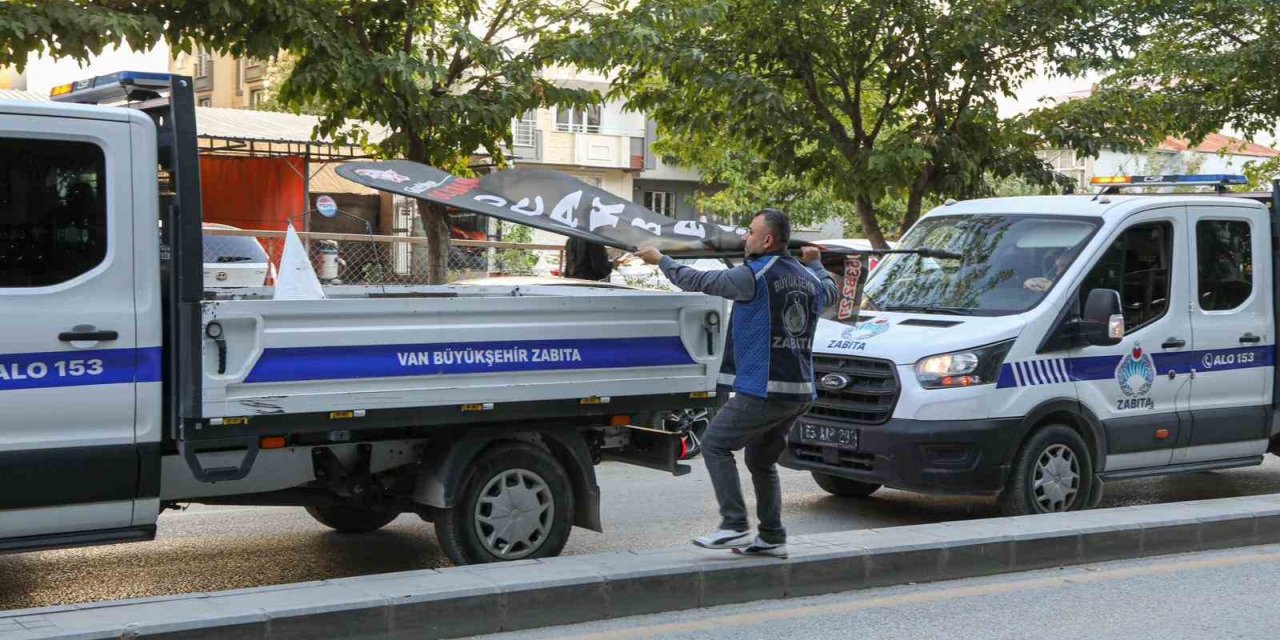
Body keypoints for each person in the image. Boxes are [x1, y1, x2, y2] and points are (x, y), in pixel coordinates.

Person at [635, 209, 837, 559]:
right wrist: (816, 262)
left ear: (768, 240)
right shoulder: (810, 279)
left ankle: (734, 525)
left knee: (714, 444)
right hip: (800, 391)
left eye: (750, 232)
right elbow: (831, 291)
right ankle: (772, 537)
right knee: (760, 461)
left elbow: (698, 282)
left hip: (764, 389)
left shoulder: (753, 277)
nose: (745, 238)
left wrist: (661, 260)